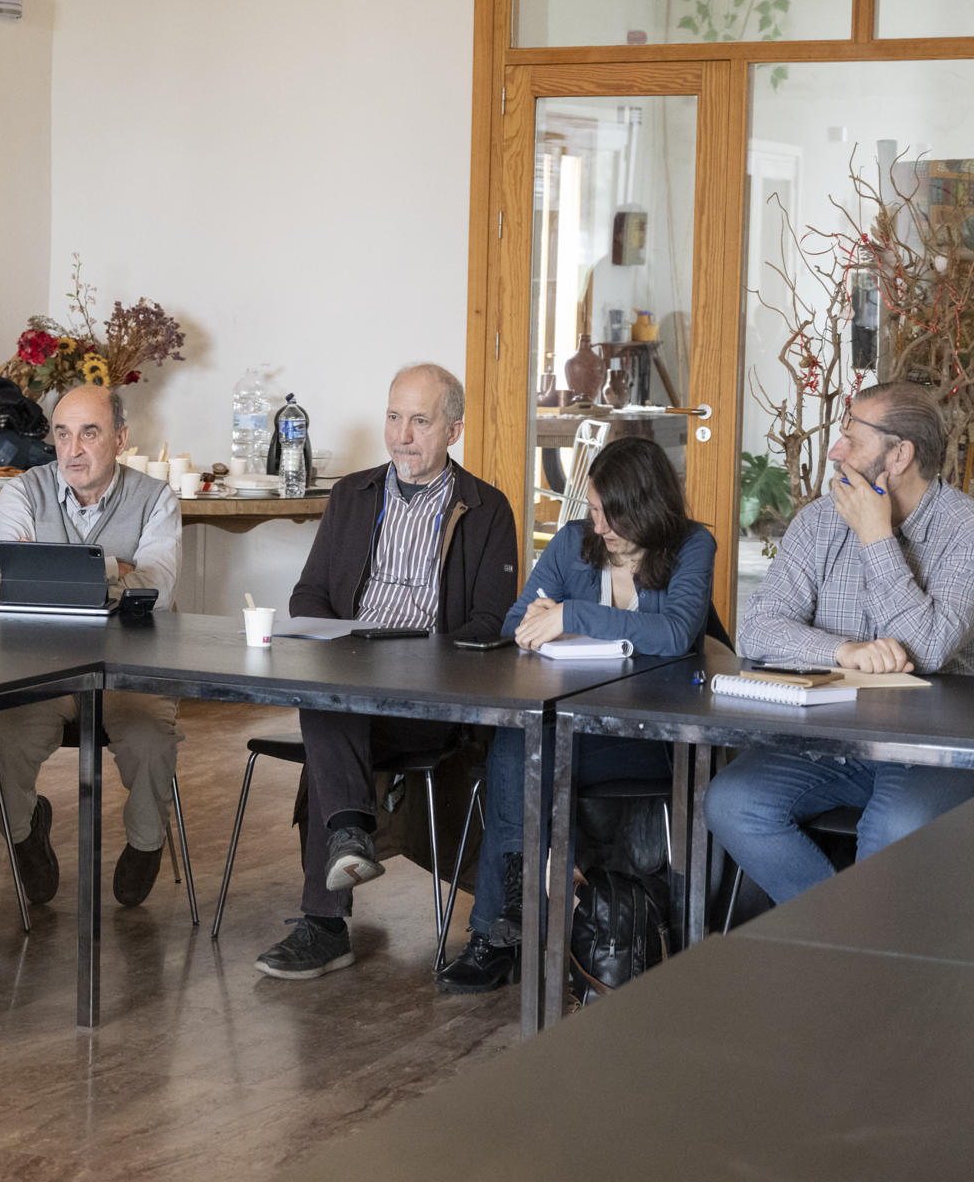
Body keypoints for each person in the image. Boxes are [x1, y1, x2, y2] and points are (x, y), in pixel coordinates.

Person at [256, 364, 518, 981]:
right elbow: (309, 595)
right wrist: (342, 643)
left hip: (428, 699)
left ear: (453, 429)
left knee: (328, 713)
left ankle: (325, 923)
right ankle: (350, 840)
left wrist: (420, 659)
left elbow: (490, 621)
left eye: (420, 421)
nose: (402, 435)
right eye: (394, 417)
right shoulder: (352, 494)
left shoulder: (486, 508)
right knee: (327, 699)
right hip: (351, 679)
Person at [435, 436, 715, 993]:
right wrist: (545, 617)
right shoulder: (571, 545)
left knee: (522, 752)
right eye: (592, 509)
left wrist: (572, 613)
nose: (601, 526)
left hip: (650, 737)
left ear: (649, 507)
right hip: (575, 729)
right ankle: (502, 926)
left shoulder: (691, 546)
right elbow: (518, 620)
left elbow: (676, 633)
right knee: (518, 744)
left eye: (613, 513)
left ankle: (501, 931)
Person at [705, 381, 974, 906]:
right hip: (832, 744)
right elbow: (757, 629)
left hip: (934, 752)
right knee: (732, 801)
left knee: (894, 828)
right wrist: (841, 649)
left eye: (851, 436)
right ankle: (840, 938)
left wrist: (877, 538)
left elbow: (931, 646)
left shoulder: (964, 529)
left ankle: (859, 970)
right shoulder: (818, 521)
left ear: (899, 455)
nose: (835, 450)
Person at [0, 384, 183, 908]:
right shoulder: (25, 490)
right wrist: (117, 567)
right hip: (40, 666)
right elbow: (19, 574)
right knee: (0, 735)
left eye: (89, 433)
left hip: (129, 665)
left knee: (150, 741)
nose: (72, 449)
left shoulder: (156, 498)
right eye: (62, 433)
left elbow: (158, 589)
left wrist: (70, 570)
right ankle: (25, 836)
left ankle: (145, 842)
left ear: (119, 437)